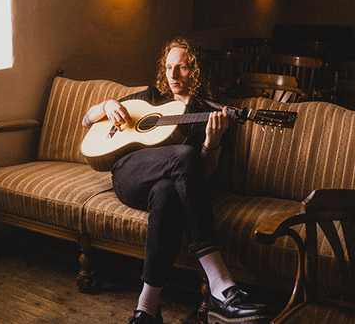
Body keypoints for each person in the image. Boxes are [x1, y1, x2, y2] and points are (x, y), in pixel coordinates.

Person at [81, 37, 271, 324]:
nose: (172, 75)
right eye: (169, 67)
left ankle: (146, 309)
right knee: (183, 155)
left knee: (169, 192)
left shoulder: (208, 113)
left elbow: (200, 175)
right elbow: (86, 119)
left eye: (181, 68)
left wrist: (211, 144)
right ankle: (220, 285)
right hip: (129, 174)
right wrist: (107, 105)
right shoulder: (150, 97)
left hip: (161, 188)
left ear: (195, 71)